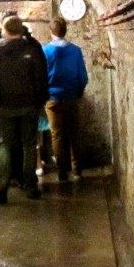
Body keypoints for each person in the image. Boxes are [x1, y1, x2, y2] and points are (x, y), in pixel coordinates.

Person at [0, 15, 48, 203]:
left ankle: (3, 185)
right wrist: (39, 101)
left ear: (5, 30)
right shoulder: (33, 49)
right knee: (29, 144)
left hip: (5, 106)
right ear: (21, 29)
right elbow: (41, 78)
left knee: (5, 144)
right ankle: (30, 185)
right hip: (29, 105)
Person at [43, 17, 88, 182]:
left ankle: (62, 171)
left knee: (57, 135)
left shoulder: (45, 51)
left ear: (51, 32)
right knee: (74, 133)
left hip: (52, 98)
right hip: (71, 96)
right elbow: (82, 76)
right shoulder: (75, 50)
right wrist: (78, 92)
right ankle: (77, 168)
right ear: (65, 31)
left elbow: (41, 76)